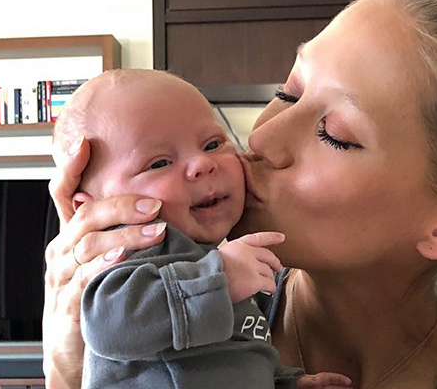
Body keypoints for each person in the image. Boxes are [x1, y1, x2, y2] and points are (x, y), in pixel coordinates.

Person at [43, 0, 437, 389]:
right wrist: (72, 367)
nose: (262, 138)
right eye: (289, 90)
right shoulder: (176, 304)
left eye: (336, 134)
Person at [51, 69, 353, 389]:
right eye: (159, 163)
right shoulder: (137, 254)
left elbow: (229, 359)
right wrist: (219, 277)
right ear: (97, 210)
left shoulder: (214, 264)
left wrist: (286, 382)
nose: (202, 164)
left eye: (212, 144)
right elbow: (109, 326)